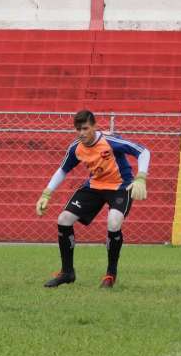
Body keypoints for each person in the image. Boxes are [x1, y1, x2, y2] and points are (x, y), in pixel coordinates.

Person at [36, 109, 150, 289]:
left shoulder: (110, 140)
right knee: (64, 219)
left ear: (94, 126)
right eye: (78, 129)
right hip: (95, 186)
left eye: (85, 129)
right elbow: (63, 170)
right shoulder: (76, 147)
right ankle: (67, 273)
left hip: (120, 186)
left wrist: (141, 177)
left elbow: (143, 151)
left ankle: (110, 275)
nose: (82, 133)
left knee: (114, 222)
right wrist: (46, 193)